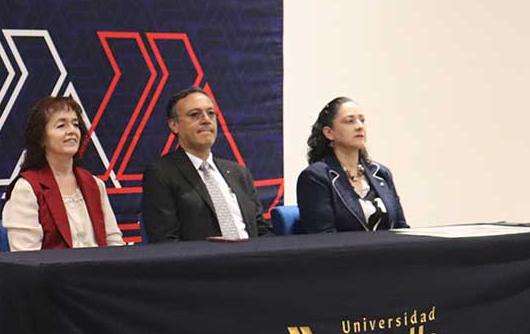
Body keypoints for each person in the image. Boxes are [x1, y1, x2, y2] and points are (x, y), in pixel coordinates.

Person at [142, 87, 273, 242]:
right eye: (194, 115)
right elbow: (165, 240)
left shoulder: (238, 172)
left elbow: (261, 230)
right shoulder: (161, 173)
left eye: (211, 113)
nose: (206, 120)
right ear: (174, 125)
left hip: (252, 254)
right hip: (203, 257)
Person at [2, 96, 124, 250]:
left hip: (101, 266)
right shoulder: (26, 189)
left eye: (75, 124)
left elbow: (114, 243)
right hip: (51, 267)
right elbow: (26, 257)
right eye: (61, 126)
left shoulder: (95, 184)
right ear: (41, 138)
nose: (72, 131)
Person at [296, 96, 407, 233]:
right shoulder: (316, 177)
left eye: (362, 120)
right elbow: (323, 237)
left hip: (390, 247)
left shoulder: (381, 173)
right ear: (329, 133)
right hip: (343, 248)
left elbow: (401, 228)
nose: (359, 126)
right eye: (350, 121)